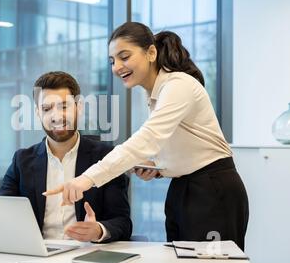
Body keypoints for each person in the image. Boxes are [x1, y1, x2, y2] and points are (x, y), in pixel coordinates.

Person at [44, 22, 249, 250]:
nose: (116, 67)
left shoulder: (178, 84)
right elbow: (178, 146)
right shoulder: (154, 94)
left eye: (124, 56)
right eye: (112, 61)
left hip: (212, 190)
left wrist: (86, 179)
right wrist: (158, 166)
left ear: (151, 52)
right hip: (183, 188)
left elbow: (147, 138)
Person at [0, 71, 132, 243]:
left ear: (79, 107)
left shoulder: (105, 157)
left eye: (64, 106)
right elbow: (1, 216)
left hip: (87, 255)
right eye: (47, 109)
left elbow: (123, 222)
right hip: (37, 257)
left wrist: (98, 230)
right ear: (38, 113)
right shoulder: (22, 160)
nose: (56, 116)